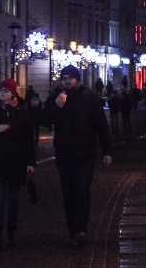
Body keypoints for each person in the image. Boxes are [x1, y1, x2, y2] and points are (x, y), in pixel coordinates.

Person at [43, 64, 113, 247]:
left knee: (82, 191)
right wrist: (56, 107)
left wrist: (107, 151)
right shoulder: (57, 98)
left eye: (70, 78)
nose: (67, 81)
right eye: (64, 78)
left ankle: (81, 228)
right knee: (68, 193)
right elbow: (45, 120)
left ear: (77, 79)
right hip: (64, 154)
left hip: (85, 153)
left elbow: (101, 125)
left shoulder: (89, 97)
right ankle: (72, 231)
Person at [0, 78, 36, 248]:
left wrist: (30, 163)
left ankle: (11, 233)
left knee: (13, 200)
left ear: (13, 94)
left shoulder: (22, 112)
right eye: (1, 90)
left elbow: (28, 140)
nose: (2, 93)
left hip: (16, 162)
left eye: (6, 90)